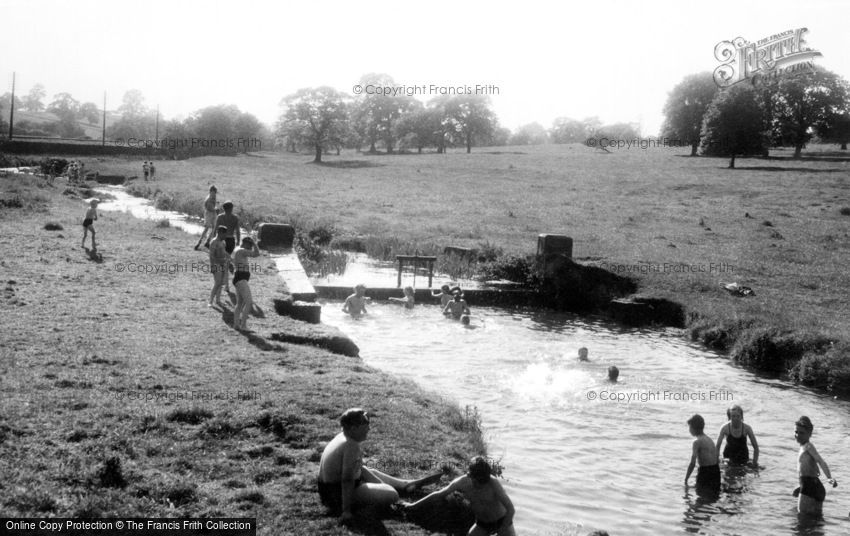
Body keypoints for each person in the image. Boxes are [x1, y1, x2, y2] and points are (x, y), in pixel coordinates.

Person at [318, 408, 442, 524]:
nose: (369, 429)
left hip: (326, 490)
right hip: (335, 495)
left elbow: (357, 469)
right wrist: (346, 511)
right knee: (392, 495)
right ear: (353, 428)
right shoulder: (351, 446)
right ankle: (368, 506)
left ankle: (404, 484)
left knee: (366, 469)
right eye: (365, 426)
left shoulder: (342, 436)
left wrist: (380, 484)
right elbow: (347, 480)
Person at [404, 456, 516, 536]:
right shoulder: (462, 482)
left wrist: (502, 529)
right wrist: (412, 506)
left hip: (502, 521)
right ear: (470, 475)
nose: (482, 484)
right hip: (482, 524)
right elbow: (439, 495)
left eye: (484, 481)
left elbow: (511, 509)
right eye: (478, 481)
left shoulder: (493, 483)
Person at [793, 416, 837, 516]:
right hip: (814, 486)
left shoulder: (808, 446)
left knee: (802, 518)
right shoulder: (803, 447)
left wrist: (829, 478)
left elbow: (820, 461)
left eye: (802, 433)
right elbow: (810, 470)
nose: (798, 435)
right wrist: (801, 486)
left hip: (810, 486)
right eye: (796, 432)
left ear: (810, 434)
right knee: (816, 521)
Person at [685, 414, 720, 497]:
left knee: (701, 496)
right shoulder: (709, 439)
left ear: (692, 428)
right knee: (713, 497)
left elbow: (692, 463)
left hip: (705, 472)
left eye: (689, 427)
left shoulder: (697, 442)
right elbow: (716, 458)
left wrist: (686, 479)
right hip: (716, 471)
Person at [231, 236, 260, 331]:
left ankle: (236, 325)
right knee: (249, 302)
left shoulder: (237, 249)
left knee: (239, 304)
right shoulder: (242, 250)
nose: (250, 247)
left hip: (238, 278)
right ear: (246, 243)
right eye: (250, 245)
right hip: (241, 279)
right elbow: (257, 254)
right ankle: (243, 325)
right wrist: (255, 243)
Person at [207, 226, 230, 308]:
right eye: (224, 234)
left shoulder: (223, 242)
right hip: (216, 264)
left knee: (220, 283)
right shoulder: (214, 242)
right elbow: (211, 255)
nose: (225, 236)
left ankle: (218, 300)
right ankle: (210, 301)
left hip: (223, 264)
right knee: (217, 283)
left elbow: (223, 252)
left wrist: (229, 257)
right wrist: (212, 266)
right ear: (220, 233)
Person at [195, 185, 219, 250]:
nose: (214, 194)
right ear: (210, 191)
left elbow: (213, 206)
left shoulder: (214, 197)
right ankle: (199, 242)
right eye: (213, 192)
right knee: (207, 228)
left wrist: (215, 209)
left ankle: (207, 241)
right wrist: (215, 209)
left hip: (213, 213)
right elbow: (209, 208)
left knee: (214, 227)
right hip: (208, 213)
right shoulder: (208, 199)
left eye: (215, 192)